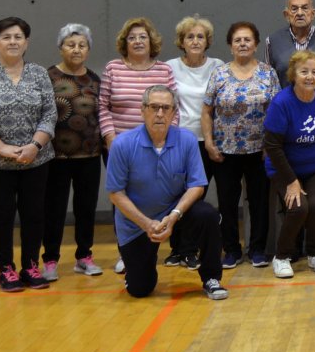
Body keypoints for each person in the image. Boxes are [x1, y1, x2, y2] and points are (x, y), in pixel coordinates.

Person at [106, 85, 227, 300]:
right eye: (154, 107)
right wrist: (146, 224)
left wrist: (174, 216)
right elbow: (116, 194)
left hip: (174, 214)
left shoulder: (187, 140)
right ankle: (140, 265)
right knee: (140, 289)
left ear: (174, 112)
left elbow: (197, 186)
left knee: (207, 215)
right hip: (137, 223)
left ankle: (211, 278)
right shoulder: (122, 144)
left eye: (166, 108)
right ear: (142, 110)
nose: (160, 113)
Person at [0, 17, 57, 291]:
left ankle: (30, 266)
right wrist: (3, 149)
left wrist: (34, 146)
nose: (13, 42)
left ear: (26, 42)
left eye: (18, 37)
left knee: (34, 214)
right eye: (6, 37)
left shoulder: (39, 73)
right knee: (3, 214)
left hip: (36, 159)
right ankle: (6, 270)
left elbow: (50, 114)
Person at [264, 0, 315, 260]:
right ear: (286, 13)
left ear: (313, 12)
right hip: (288, 125)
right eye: (294, 8)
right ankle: (290, 249)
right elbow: (269, 78)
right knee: (297, 203)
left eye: (305, 8)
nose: (300, 12)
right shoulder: (273, 41)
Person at [98, 17, 178, 275]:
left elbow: (174, 107)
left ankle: (159, 247)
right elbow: (103, 106)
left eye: (143, 37)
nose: (138, 41)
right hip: (120, 148)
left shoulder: (164, 70)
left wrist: (167, 140)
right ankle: (127, 252)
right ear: (125, 43)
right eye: (132, 38)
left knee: (156, 195)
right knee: (122, 200)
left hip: (158, 146)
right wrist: (111, 139)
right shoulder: (113, 68)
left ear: (151, 41)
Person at [202, 22, 280, 271]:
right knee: (227, 202)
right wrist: (209, 143)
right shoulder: (219, 73)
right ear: (230, 46)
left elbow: (276, 111)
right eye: (238, 40)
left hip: (259, 151)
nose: (243, 44)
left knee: (259, 202)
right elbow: (207, 111)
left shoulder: (268, 73)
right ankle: (232, 250)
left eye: (247, 40)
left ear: (255, 44)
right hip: (225, 152)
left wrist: (271, 146)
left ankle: (257, 249)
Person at [263, 51, 315, 279]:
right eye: (304, 71)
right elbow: (272, 146)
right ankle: (281, 256)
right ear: (293, 75)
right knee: (298, 207)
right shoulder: (281, 102)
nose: (309, 77)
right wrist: (292, 181)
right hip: (284, 167)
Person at [41, 24, 104, 279]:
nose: (76, 49)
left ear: (88, 50)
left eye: (82, 45)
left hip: (89, 155)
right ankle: (50, 260)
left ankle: (84, 256)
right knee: (54, 209)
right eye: (71, 44)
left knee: (86, 209)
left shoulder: (95, 80)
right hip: (56, 156)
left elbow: (102, 115)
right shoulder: (48, 77)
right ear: (61, 48)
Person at [164, 15, 223, 269]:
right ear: (182, 41)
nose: (195, 41)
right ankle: (176, 249)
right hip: (179, 141)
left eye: (200, 36)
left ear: (207, 41)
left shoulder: (218, 66)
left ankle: (189, 249)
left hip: (208, 141)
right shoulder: (170, 67)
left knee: (196, 197)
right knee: (178, 196)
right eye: (190, 37)